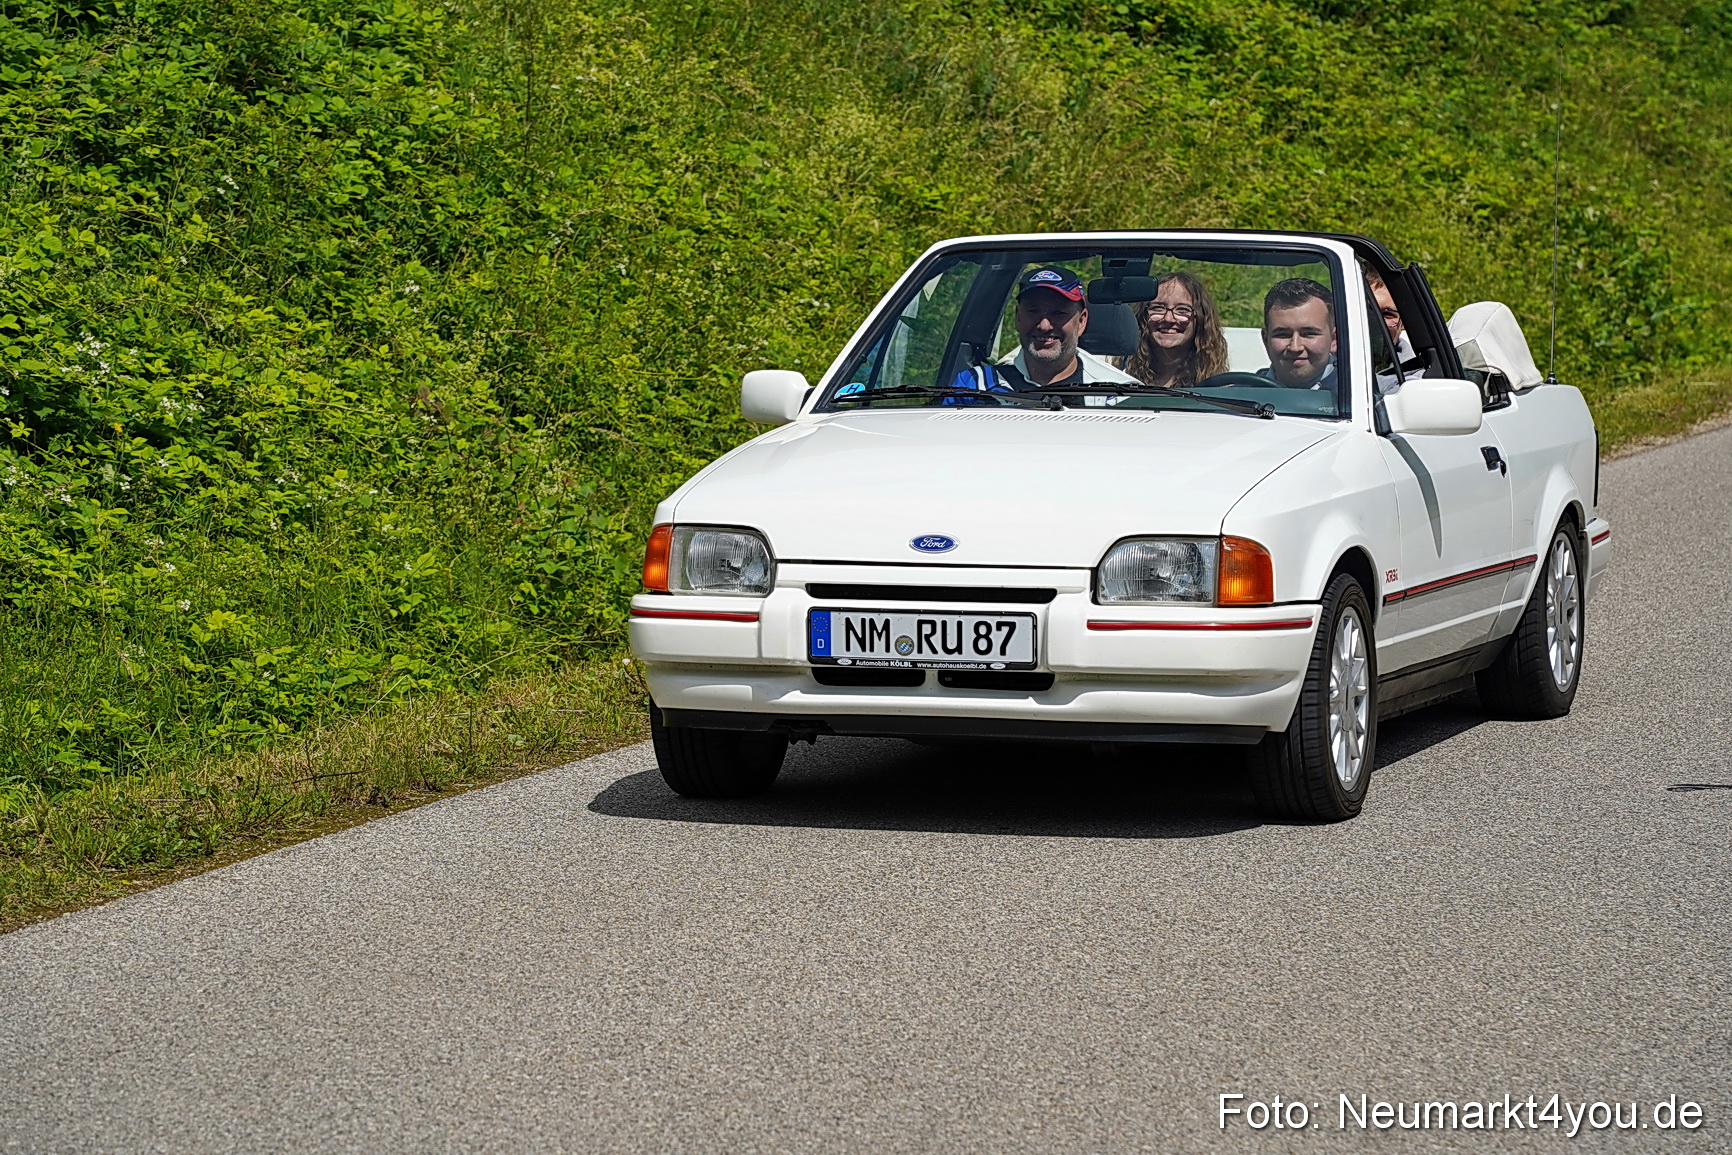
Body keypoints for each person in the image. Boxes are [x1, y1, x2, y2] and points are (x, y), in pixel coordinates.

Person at [950, 266, 1140, 393]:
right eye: (1033, 312)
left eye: (1058, 313)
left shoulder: (1117, 394)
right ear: (1017, 317)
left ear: (1081, 322)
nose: (1044, 325)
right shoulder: (975, 388)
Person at [1123, 271, 1229, 390]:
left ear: (1200, 319)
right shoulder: (1118, 378)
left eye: (1182, 310)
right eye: (1158, 308)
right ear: (1143, 316)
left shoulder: (1218, 388)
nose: (1168, 318)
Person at [1256, 277, 1337, 390]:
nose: (1295, 347)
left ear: (1334, 339)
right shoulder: (1237, 400)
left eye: (1308, 334)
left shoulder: (1360, 397)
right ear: (1266, 339)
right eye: (1283, 334)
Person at [1365, 265, 1422, 391]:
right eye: (1366, 310)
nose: (1375, 321)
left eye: (1387, 314)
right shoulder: (1319, 361)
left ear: (1403, 324)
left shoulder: (1413, 381)